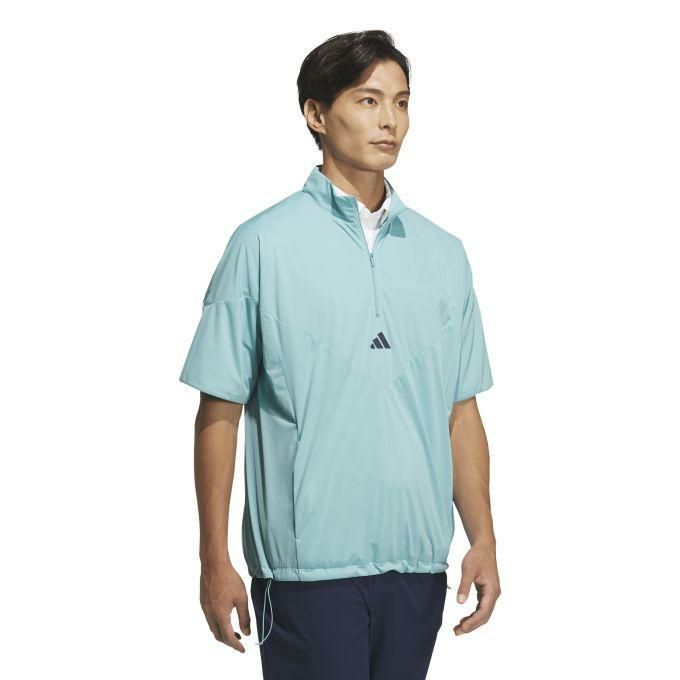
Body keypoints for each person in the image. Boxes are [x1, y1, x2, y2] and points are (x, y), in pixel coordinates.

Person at [179, 29, 501, 680]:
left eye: (402, 102)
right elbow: (220, 410)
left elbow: (459, 410)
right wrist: (214, 558)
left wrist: (484, 538)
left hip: (417, 567)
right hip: (306, 572)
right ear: (316, 114)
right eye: (368, 100)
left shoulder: (444, 254)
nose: (390, 120)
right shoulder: (261, 246)